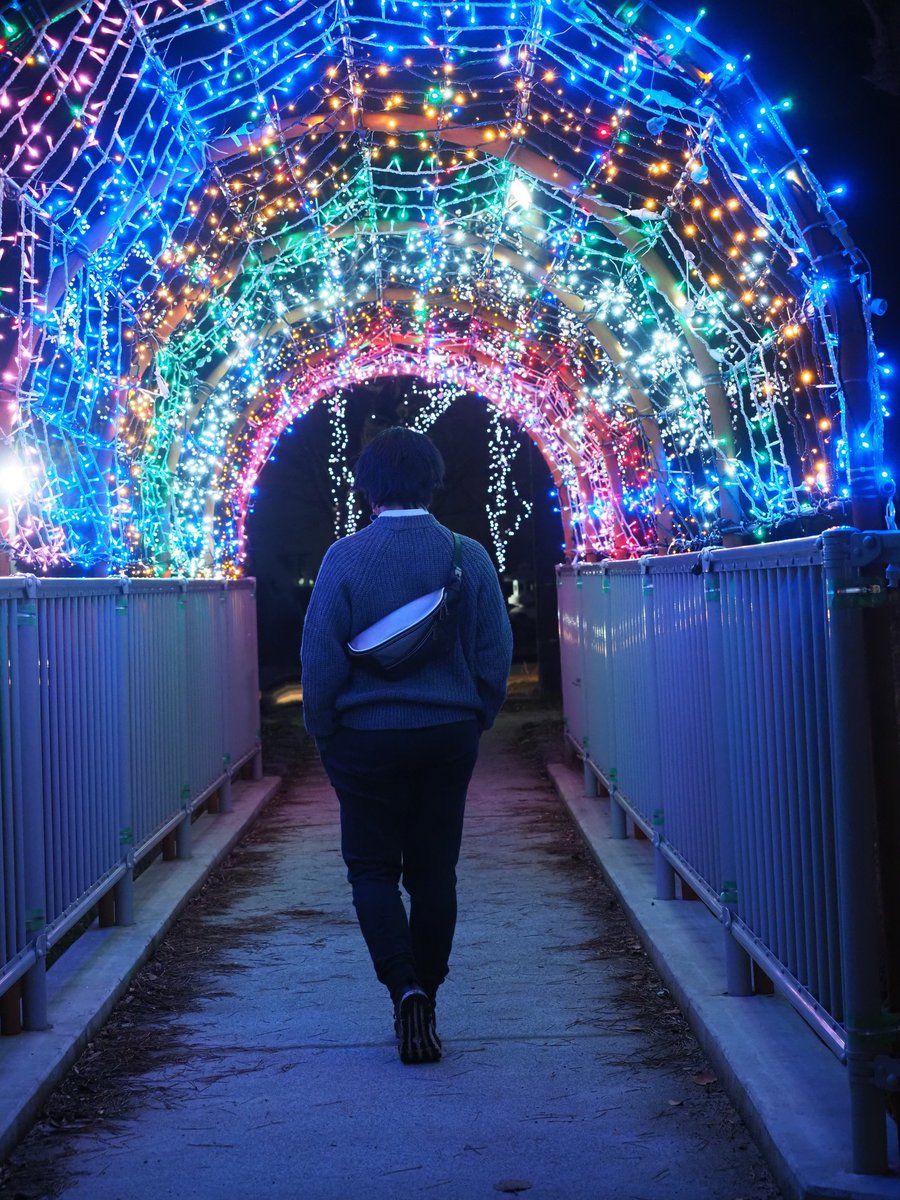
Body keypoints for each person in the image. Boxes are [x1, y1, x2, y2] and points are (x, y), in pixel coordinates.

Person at [300, 426, 513, 1064]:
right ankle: (431, 994)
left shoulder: (343, 558)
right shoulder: (468, 555)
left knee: (372, 870)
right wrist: (477, 715)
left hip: (365, 737)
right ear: (432, 481)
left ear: (368, 489)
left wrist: (324, 730)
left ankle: (405, 989)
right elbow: (494, 652)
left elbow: (319, 660)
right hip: (448, 733)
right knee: (434, 871)